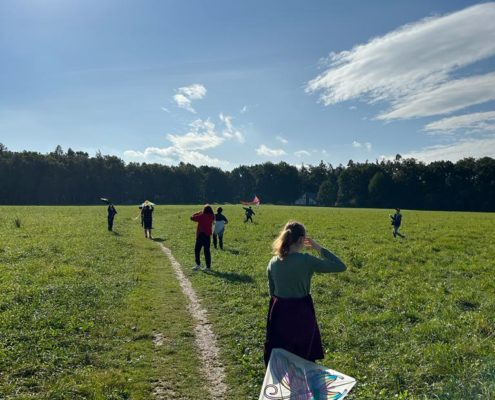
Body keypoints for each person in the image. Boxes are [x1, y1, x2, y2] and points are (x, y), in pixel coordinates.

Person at [264, 221, 347, 366]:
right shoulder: (306, 260)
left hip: (278, 312)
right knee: (304, 355)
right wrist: (318, 247)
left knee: (282, 354)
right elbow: (340, 266)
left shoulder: (273, 262)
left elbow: (272, 292)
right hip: (301, 312)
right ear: (302, 240)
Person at [191, 205, 215, 271]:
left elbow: (192, 217)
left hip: (201, 235)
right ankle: (208, 267)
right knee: (207, 251)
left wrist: (198, 212)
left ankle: (198, 264)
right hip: (208, 236)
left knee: (197, 250)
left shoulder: (202, 216)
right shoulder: (212, 216)